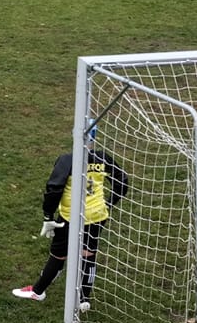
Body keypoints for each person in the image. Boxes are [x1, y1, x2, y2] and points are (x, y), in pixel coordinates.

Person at [12, 133, 129, 312]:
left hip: (71, 217)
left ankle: (38, 291)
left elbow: (54, 189)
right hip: (97, 215)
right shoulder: (103, 158)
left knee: (58, 254)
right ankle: (84, 299)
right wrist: (109, 203)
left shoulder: (67, 160)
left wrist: (48, 216)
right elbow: (122, 181)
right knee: (88, 254)